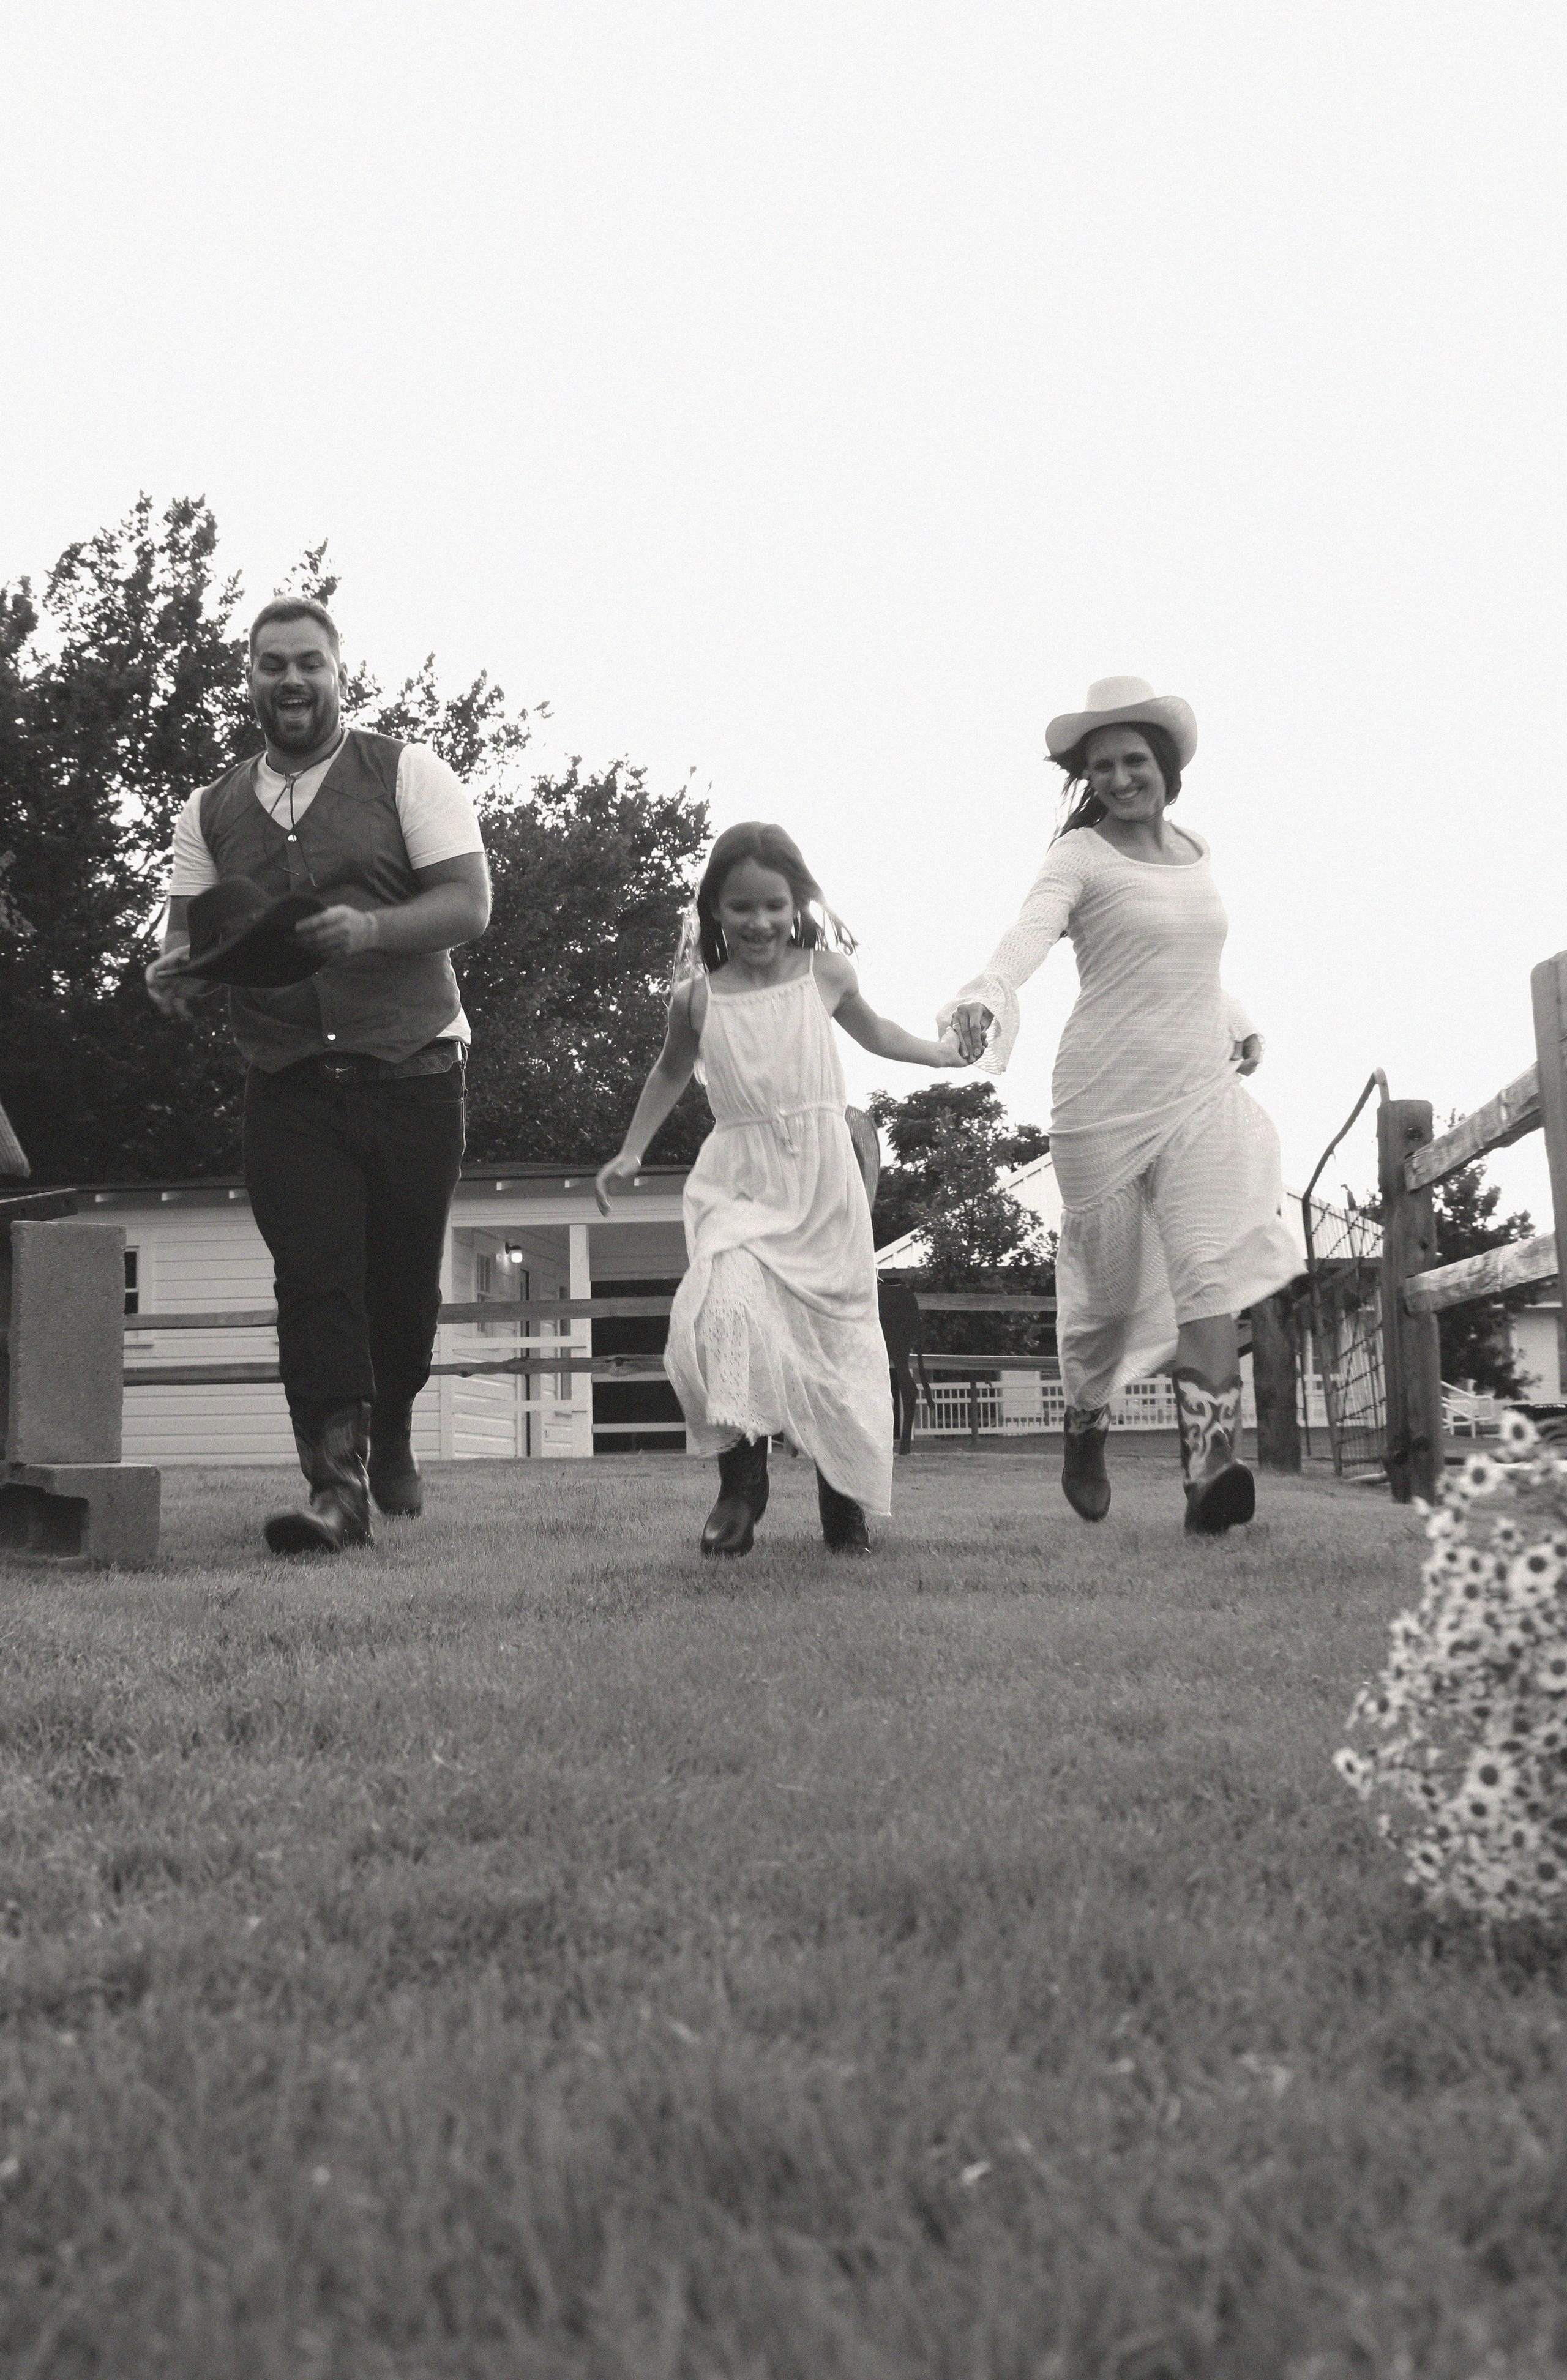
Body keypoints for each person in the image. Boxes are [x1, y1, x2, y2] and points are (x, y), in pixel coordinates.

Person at [146, 597, 491, 1555]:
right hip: (287, 1079)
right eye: (271, 665)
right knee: (314, 1279)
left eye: (309, 664)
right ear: (249, 679)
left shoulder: (407, 772)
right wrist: (173, 975)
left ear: (340, 675)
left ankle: (391, 1427)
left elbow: (470, 903)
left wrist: (373, 928)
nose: (290, 681)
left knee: (401, 1293)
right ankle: (333, 1489)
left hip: (414, 1067)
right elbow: (189, 938)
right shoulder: (207, 809)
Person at [943, 677, 1298, 1535]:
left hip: (1198, 1092)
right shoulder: (1080, 857)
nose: (1119, 777)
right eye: (1102, 766)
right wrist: (989, 988)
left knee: (1205, 1271)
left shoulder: (1197, 850)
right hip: (1101, 1101)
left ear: (1165, 765)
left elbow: (1187, 962)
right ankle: (1085, 1419)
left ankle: (1210, 1470)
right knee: (1104, 1302)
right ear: (1087, 778)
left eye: (1133, 760)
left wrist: (1235, 1016)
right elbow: (1031, 931)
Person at [596, 822, 963, 1556]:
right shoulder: (697, 998)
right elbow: (671, 1071)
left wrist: (943, 1055)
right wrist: (631, 1150)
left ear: (797, 903)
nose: (758, 922)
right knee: (720, 1309)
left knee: (834, 1342)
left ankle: (845, 1501)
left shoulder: (826, 974)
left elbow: (879, 1033)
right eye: (740, 908)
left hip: (824, 1183)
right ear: (715, 912)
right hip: (740, 1179)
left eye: (773, 905)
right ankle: (741, 1478)